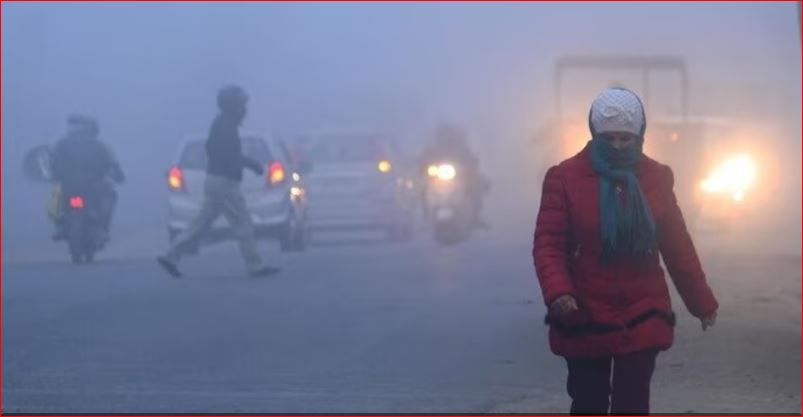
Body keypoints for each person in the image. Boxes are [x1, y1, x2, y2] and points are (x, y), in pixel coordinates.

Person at [532, 87, 718, 415]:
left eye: (625, 139)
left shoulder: (657, 179)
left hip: (642, 308)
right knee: (588, 402)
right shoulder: (564, 178)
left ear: (639, 135)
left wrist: (700, 301)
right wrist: (558, 292)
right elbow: (548, 244)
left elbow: (677, 245)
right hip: (584, 309)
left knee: (631, 404)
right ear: (595, 134)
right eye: (610, 139)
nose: (618, 146)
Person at [157, 85, 279, 278]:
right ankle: (255, 265)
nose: (244, 110)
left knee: (200, 223)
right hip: (224, 182)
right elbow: (230, 156)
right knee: (243, 223)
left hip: (215, 180)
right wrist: (252, 164)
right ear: (233, 106)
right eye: (241, 105)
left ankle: (171, 255)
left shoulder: (221, 124)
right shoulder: (226, 127)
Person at [50, 114, 125, 241]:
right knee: (111, 194)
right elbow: (114, 165)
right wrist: (118, 176)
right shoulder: (100, 146)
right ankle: (101, 227)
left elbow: (52, 164)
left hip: (72, 186)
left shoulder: (61, 144)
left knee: (56, 195)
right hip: (88, 185)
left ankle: (61, 226)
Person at [417, 123, 490, 225]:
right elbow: (423, 161)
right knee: (423, 190)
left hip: (458, 180)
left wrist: (468, 169)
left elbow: (472, 161)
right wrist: (425, 168)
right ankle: (426, 217)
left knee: (475, 186)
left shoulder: (461, 150)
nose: (447, 139)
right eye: (444, 137)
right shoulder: (434, 151)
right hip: (437, 182)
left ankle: (476, 216)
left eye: (449, 137)